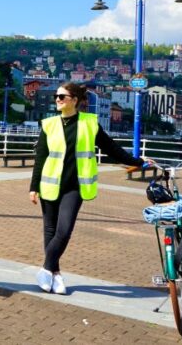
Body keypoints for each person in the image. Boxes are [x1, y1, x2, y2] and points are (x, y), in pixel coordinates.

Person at [28, 82, 148, 295]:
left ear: (74, 100)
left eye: (62, 96)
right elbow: (41, 158)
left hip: (75, 186)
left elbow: (111, 147)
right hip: (49, 184)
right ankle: (55, 274)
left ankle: (45, 269)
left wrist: (136, 161)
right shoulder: (49, 124)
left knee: (63, 231)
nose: (57, 99)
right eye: (57, 96)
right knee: (50, 230)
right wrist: (33, 186)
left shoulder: (89, 123)